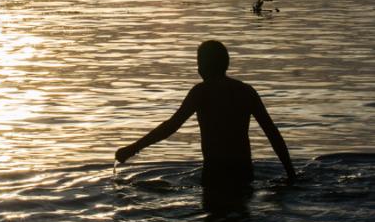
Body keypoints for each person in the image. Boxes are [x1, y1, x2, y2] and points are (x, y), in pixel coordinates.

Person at [115, 40, 297, 186]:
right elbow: (272, 133)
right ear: (226, 64)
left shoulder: (201, 92)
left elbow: (171, 126)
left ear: (202, 68)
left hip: (215, 172)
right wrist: (291, 173)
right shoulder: (246, 91)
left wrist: (133, 148)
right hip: (243, 171)